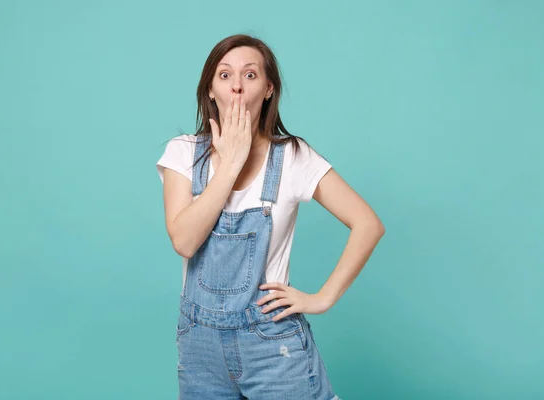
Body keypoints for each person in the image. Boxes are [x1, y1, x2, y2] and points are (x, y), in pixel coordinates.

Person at [156, 33, 385, 400]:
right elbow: (183, 241)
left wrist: (322, 298)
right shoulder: (183, 154)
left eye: (250, 75)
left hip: (272, 346)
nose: (236, 87)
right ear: (211, 90)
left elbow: (368, 224)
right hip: (200, 349)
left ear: (267, 89)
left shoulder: (293, 157)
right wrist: (230, 163)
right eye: (225, 75)